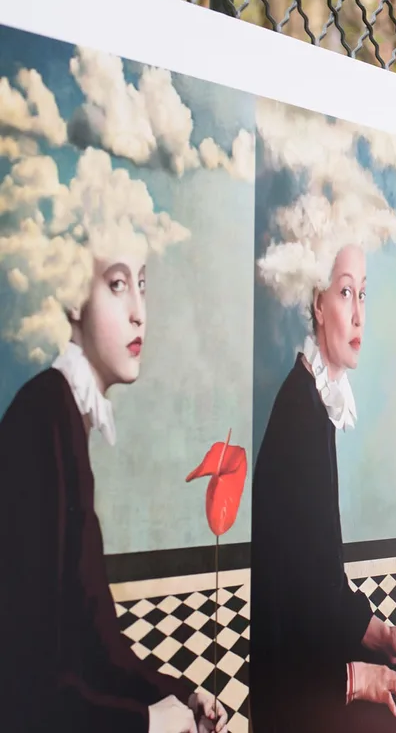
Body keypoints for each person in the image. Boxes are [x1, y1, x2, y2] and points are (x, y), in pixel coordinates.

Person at [0, 234, 228, 732]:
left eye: (142, 285)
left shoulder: (64, 415)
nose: (139, 312)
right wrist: (147, 722)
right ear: (70, 294)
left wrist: (180, 696)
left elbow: (98, 647)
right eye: (118, 284)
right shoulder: (42, 418)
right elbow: (25, 683)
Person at [249, 243, 396, 733]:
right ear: (315, 303)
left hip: (308, 653)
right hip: (287, 682)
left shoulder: (314, 406)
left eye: (363, 295)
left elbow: (320, 578)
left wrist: (384, 638)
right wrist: (351, 679)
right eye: (345, 292)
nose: (357, 315)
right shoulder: (298, 413)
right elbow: (289, 602)